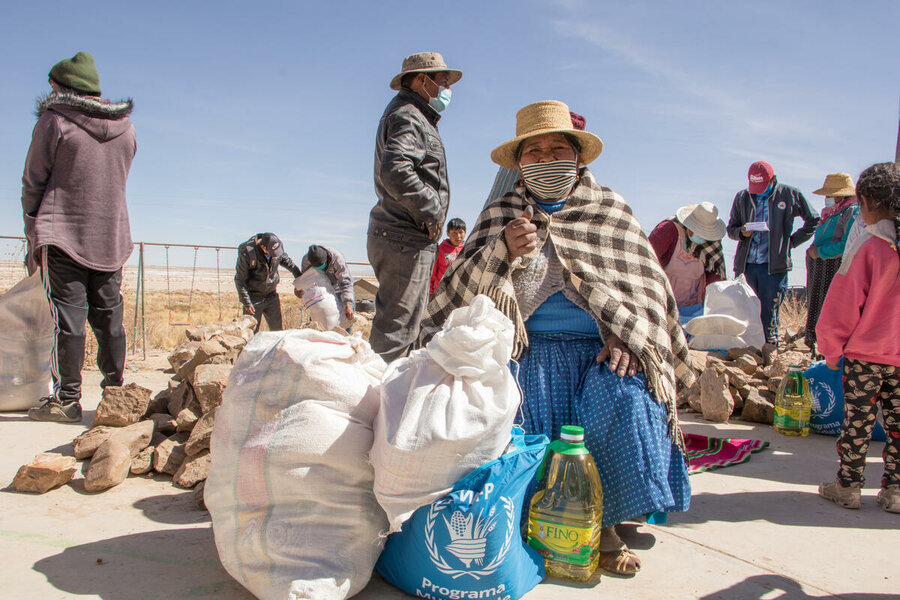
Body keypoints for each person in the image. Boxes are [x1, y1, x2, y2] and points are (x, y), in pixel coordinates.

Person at [421, 100, 693, 575]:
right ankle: (534, 521)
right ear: (520, 164)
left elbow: (647, 294)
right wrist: (501, 251)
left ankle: (603, 527)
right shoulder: (500, 215)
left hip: (600, 352)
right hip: (523, 350)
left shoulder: (610, 211)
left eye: (557, 150)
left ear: (579, 158)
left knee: (625, 397)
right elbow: (456, 294)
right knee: (498, 406)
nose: (547, 160)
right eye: (535, 152)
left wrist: (624, 335)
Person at [21, 52, 136, 423]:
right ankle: (115, 394)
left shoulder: (55, 122)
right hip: (111, 237)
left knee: (67, 321)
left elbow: (34, 180)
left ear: (61, 86)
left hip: (64, 233)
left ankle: (67, 400)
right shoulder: (127, 129)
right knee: (109, 318)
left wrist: (32, 233)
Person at [816, 162, 900, 514]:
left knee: (858, 423)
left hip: (866, 356)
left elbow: (842, 306)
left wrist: (832, 351)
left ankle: (848, 486)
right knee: (898, 427)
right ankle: (895, 491)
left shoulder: (869, 246)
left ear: (864, 201)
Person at [367, 52, 461, 362]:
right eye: (442, 82)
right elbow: (395, 169)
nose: (446, 89)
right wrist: (433, 210)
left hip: (403, 237)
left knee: (406, 330)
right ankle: (378, 405)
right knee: (395, 337)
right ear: (422, 80)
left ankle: (391, 401)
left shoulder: (414, 116)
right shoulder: (409, 115)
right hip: (403, 239)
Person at [726, 161, 819, 344]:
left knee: (769, 312)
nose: (758, 191)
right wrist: (741, 232)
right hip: (747, 265)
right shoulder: (742, 197)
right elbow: (731, 229)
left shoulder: (790, 194)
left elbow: (813, 219)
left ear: (773, 179)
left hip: (774, 267)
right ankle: (746, 351)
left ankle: (770, 351)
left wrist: (791, 242)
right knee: (745, 310)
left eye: (762, 186)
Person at [483, 111, 586, 211]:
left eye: (559, 147)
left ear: (577, 159)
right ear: (519, 167)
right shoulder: (497, 212)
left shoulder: (599, 207)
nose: (547, 159)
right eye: (534, 150)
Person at [804, 173, 859, 355]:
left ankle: (829, 352)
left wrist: (820, 251)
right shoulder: (833, 212)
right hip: (820, 266)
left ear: (841, 195)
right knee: (817, 305)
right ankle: (817, 348)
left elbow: (847, 244)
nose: (827, 199)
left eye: (830, 195)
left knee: (829, 307)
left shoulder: (851, 212)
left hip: (833, 267)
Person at [648, 202, 727, 321]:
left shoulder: (712, 241)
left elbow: (714, 274)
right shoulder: (667, 231)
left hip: (693, 307)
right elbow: (646, 262)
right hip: (663, 302)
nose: (702, 238)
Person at [234, 233, 301, 333]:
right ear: (263, 247)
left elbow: (291, 265)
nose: (274, 255)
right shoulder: (247, 253)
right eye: (271, 253)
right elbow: (240, 279)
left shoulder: (277, 250)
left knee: (277, 331)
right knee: (251, 333)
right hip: (253, 298)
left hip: (271, 295)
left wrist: (300, 281)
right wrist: (246, 302)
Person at [298, 244, 355, 327]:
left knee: (346, 318)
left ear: (327, 260)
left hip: (338, 288)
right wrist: (299, 289)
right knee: (319, 321)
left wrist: (348, 304)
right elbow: (305, 279)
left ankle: (345, 337)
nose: (320, 269)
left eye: (321, 266)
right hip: (321, 290)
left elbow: (345, 282)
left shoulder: (337, 258)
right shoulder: (306, 260)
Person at [429, 218, 466, 296]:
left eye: (460, 232)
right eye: (454, 233)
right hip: (441, 291)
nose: (458, 236)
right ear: (448, 233)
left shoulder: (467, 249)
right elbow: (433, 272)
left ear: (465, 233)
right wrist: (431, 292)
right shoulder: (440, 249)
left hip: (459, 291)